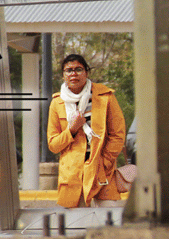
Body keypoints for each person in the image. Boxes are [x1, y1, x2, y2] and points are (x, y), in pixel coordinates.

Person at [47, 54, 126, 208]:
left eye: (78, 69)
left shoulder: (105, 97)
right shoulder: (57, 102)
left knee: (109, 217)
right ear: (63, 75)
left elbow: (118, 134)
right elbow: (53, 145)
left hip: (102, 171)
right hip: (73, 174)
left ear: (87, 72)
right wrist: (72, 130)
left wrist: (105, 161)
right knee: (76, 221)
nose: (73, 74)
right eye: (68, 70)